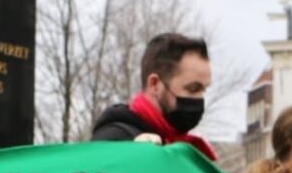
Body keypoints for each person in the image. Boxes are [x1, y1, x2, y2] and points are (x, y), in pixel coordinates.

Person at [90, 32, 217, 161]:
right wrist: (130, 155)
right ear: (154, 84)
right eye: (192, 88)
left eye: (203, 90)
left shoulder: (190, 153)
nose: (199, 99)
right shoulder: (114, 140)